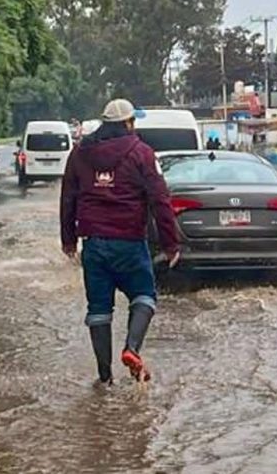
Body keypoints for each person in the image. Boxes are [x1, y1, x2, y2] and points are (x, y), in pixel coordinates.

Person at [60, 98, 181, 384]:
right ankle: (132, 348)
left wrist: (68, 240)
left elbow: (68, 198)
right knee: (144, 296)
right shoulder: (142, 153)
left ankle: (104, 378)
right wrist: (170, 243)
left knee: (99, 310)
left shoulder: (79, 153)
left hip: (94, 244)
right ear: (128, 123)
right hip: (130, 242)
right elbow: (160, 200)